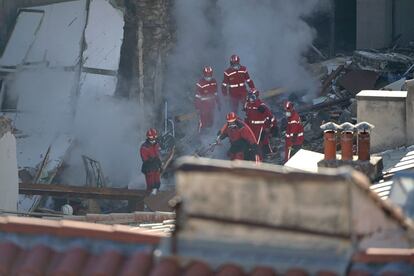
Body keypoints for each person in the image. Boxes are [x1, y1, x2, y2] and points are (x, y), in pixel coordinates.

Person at [243, 88, 277, 156]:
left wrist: (272, 126)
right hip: (251, 126)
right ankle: (268, 153)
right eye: (249, 96)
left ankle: (258, 157)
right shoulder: (248, 104)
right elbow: (247, 114)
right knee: (263, 141)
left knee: (256, 142)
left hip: (260, 127)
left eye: (251, 96)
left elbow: (270, 116)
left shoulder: (261, 105)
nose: (250, 98)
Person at [195, 66, 221, 132]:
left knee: (211, 121)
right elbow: (197, 97)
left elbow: (216, 94)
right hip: (203, 106)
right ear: (204, 75)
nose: (209, 78)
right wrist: (197, 108)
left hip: (212, 106)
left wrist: (218, 103)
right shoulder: (200, 83)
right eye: (207, 76)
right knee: (203, 122)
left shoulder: (214, 81)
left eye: (210, 75)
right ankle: (200, 136)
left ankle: (208, 136)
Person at [140, 128, 162, 195]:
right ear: (148, 138)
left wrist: (160, 164)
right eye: (152, 138)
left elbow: (157, 154)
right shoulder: (144, 147)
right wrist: (150, 160)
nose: (153, 140)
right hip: (149, 167)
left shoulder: (156, 145)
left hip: (156, 166)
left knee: (157, 183)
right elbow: (144, 158)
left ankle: (156, 193)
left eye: (154, 138)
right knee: (151, 184)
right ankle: (149, 196)